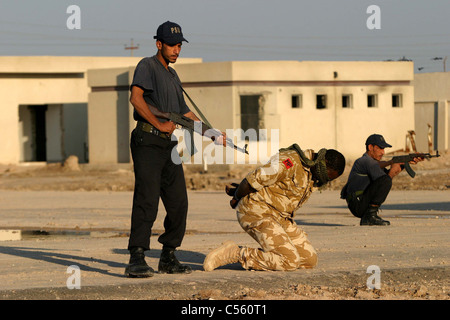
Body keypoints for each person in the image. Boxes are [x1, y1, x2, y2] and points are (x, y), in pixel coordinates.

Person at [125, 21, 224, 278]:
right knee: (147, 198)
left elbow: (184, 113)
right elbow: (136, 99)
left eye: (179, 45)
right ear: (159, 44)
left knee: (179, 202)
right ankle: (136, 256)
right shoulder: (147, 66)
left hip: (168, 145)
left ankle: (168, 255)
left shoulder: (172, 75)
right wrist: (158, 123)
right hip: (147, 141)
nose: (176, 50)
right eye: (171, 45)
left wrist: (210, 132)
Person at [203, 144, 346, 272]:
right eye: (326, 176)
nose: (323, 181)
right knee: (289, 261)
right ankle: (234, 253)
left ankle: (270, 256)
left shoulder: (313, 172)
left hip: (281, 218)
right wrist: (237, 197)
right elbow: (253, 179)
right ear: (324, 163)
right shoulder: (290, 162)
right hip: (257, 212)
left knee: (309, 260)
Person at [340, 134, 422, 226]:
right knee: (386, 180)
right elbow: (384, 181)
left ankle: (370, 216)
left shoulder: (374, 163)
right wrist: (392, 163)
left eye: (383, 149)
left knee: (386, 179)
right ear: (370, 147)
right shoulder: (364, 161)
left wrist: (400, 166)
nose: (383, 152)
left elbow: (382, 182)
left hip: (361, 201)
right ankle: (370, 216)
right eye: (380, 148)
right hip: (357, 204)